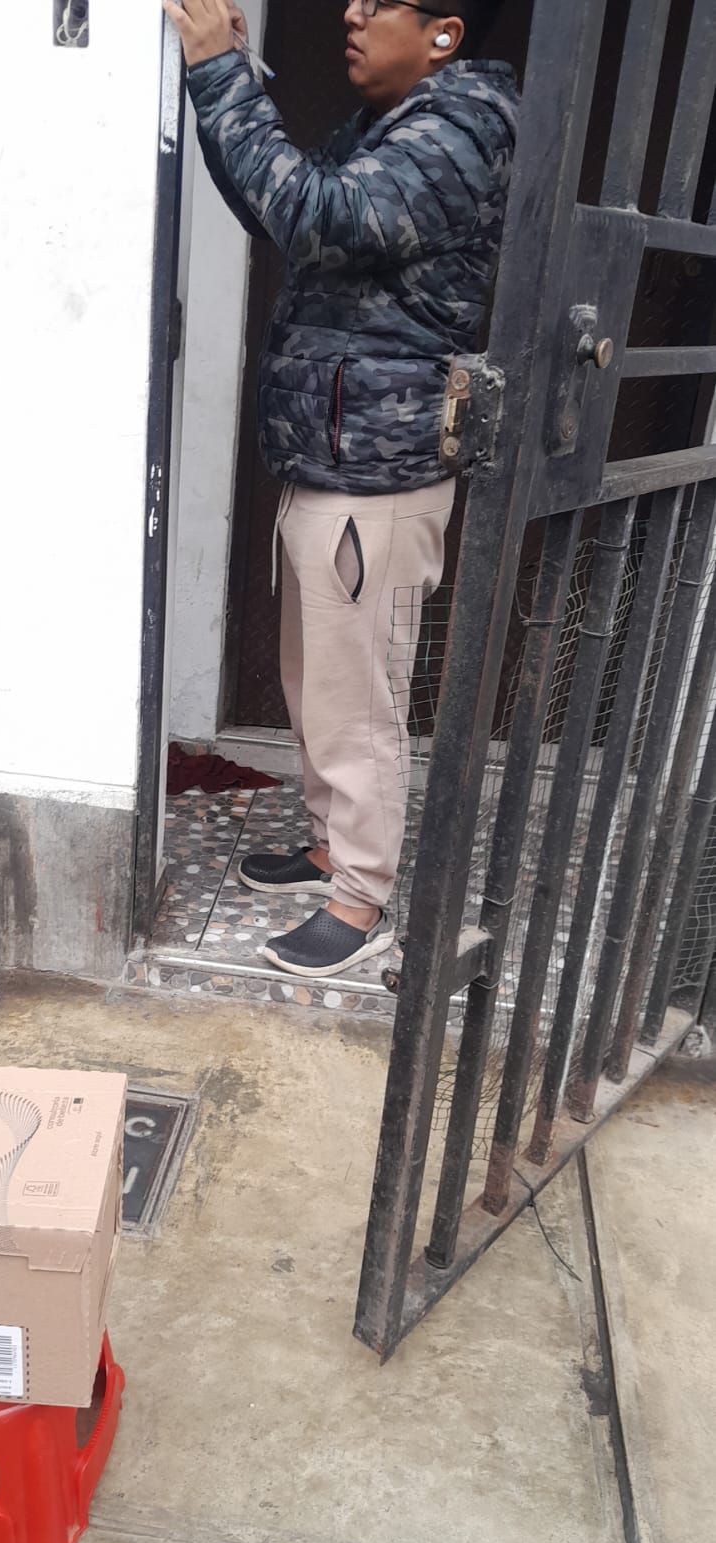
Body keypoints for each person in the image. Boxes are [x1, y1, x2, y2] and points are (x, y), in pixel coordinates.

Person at [165, 0, 518, 978]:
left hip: (375, 477)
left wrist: (217, 73)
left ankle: (361, 899)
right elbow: (274, 203)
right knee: (316, 688)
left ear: (443, 33)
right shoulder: (389, 127)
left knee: (358, 704)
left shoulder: (456, 131)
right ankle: (329, 846)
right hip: (330, 464)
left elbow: (316, 216)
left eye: (377, 2)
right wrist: (226, 79)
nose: (351, 16)